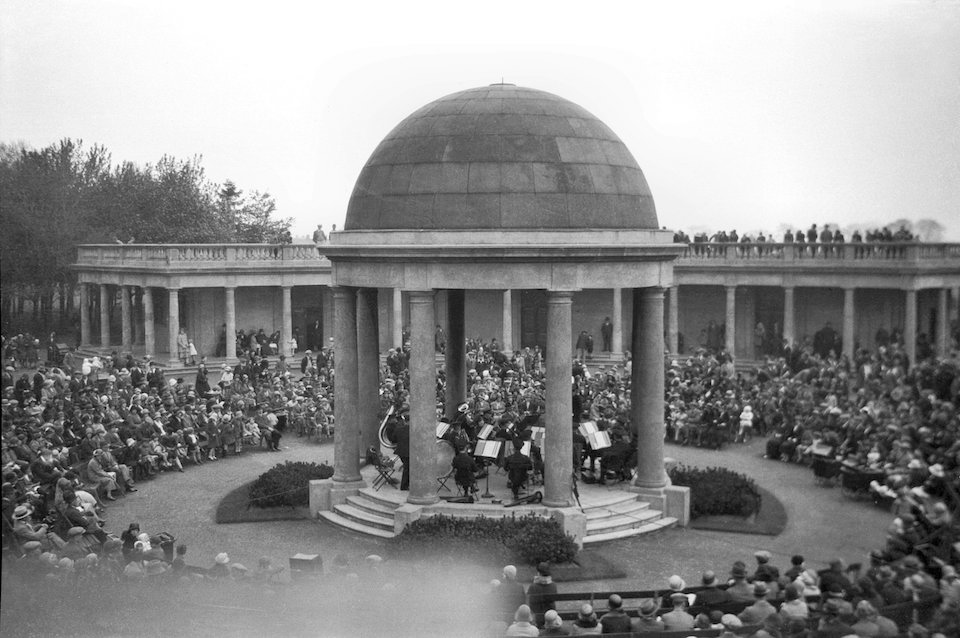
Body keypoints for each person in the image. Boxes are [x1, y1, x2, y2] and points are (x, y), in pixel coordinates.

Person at [527, 562, 558, 628]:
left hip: (538, 617)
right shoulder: (553, 585)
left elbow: (529, 601)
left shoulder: (533, 586)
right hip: (550, 615)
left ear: (539, 573)